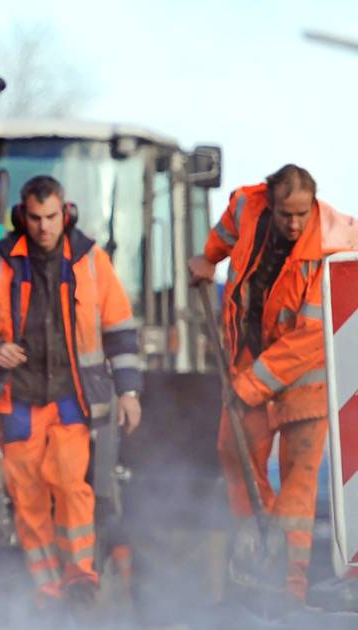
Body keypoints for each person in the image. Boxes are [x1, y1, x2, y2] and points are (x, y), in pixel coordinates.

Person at [0, 175, 142, 607]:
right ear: (23, 215)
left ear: (66, 212)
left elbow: (120, 329)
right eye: (35, 218)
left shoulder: (92, 260)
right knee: (28, 496)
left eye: (51, 217)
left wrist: (129, 393)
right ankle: (48, 588)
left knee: (70, 482)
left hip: (71, 396)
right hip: (15, 398)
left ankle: (80, 578)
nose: (43, 227)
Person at [188, 164, 329, 603]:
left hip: (305, 380)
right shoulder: (247, 206)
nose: (293, 224)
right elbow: (223, 237)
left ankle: (288, 589)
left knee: (299, 482)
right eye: (286, 213)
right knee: (233, 450)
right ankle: (257, 549)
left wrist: (252, 386)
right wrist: (207, 259)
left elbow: (311, 338)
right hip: (249, 360)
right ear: (271, 201)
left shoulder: (331, 250)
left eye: (302, 215)